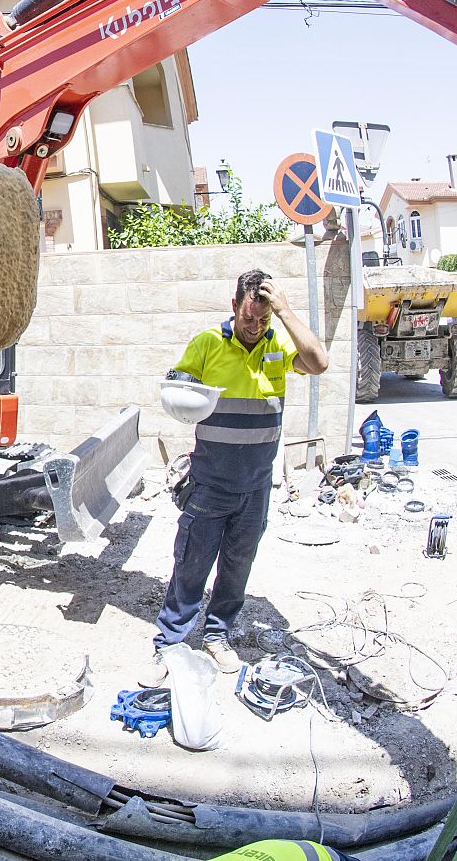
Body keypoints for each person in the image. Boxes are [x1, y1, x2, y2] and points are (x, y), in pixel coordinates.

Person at [143, 269, 329, 686]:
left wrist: (285, 312)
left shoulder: (279, 343)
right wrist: (181, 387)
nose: (255, 327)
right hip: (210, 482)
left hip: (256, 485)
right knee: (191, 563)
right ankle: (168, 641)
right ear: (234, 306)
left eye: (263, 319)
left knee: (237, 566)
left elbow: (318, 362)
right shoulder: (208, 343)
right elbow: (179, 384)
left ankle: (217, 635)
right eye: (249, 318)